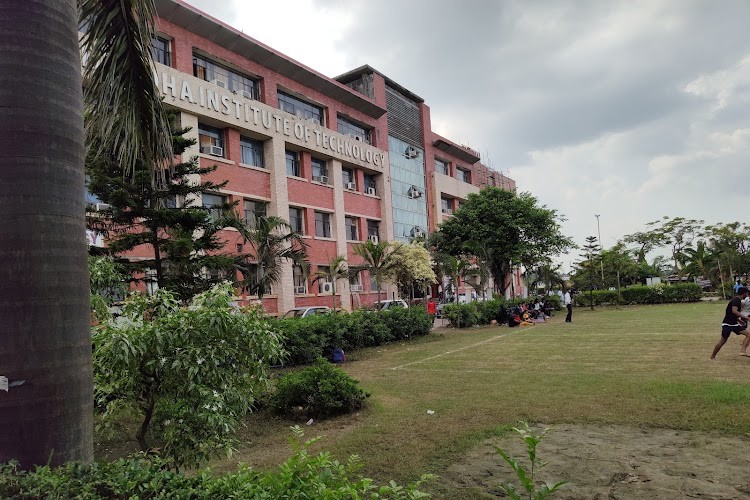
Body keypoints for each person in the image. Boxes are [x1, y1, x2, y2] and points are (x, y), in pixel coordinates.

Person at [710, 286, 750, 359]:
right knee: (723, 341)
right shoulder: (736, 300)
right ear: (743, 293)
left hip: (734, 324)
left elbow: (731, 313)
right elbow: (734, 311)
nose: (747, 295)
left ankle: (743, 350)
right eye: (746, 293)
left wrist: (739, 320)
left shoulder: (738, 300)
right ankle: (712, 356)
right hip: (727, 324)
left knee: (748, 334)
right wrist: (746, 317)